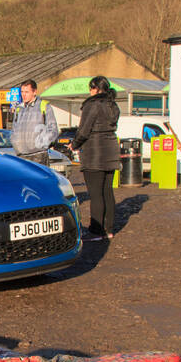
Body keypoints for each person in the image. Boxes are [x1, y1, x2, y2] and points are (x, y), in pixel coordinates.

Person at [71, 75, 121, 241]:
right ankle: (109, 229)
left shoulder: (92, 105)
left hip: (94, 151)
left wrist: (74, 144)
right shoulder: (113, 105)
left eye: (91, 88)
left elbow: (84, 130)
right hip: (111, 149)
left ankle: (96, 230)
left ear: (97, 89)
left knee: (95, 194)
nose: (90, 91)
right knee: (107, 191)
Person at [9, 79, 58, 167]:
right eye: (22, 92)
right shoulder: (19, 109)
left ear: (34, 92)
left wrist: (42, 145)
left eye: (27, 92)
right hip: (21, 155)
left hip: (38, 155)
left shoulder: (44, 106)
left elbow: (53, 130)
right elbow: (14, 129)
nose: (24, 95)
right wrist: (15, 142)